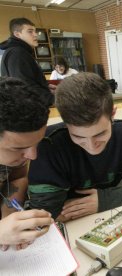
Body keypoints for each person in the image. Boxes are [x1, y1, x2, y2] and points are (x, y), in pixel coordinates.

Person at [28, 73, 122, 222]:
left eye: (100, 134)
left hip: (105, 216)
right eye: (79, 137)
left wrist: (106, 199)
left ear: (112, 114)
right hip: (70, 227)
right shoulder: (49, 145)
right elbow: (45, 216)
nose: (92, 146)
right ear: (65, 122)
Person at [0, 77, 54, 251]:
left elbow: (18, 177)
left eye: (36, 143)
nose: (32, 155)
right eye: (19, 148)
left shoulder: (16, 155)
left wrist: (10, 215)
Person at [0, 18, 55, 107]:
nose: (36, 35)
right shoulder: (18, 53)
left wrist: (45, 86)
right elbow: (24, 85)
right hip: (26, 111)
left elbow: (25, 79)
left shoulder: (16, 51)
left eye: (35, 31)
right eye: (30, 31)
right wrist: (53, 99)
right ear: (17, 34)